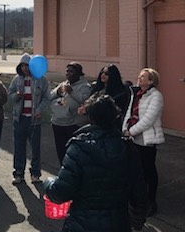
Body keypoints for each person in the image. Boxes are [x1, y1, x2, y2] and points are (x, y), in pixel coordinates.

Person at [44, 94, 148, 232]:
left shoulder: (79, 147)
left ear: (91, 118)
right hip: (118, 223)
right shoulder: (127, 148)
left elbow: (60, 192)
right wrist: (137, 222)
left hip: (82, 224)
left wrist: (48, 183)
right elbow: (139, 192)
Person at [122, 67, 165, 217]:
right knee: (134, 170)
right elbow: (129, 112)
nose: (139, 78)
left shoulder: (156, 96)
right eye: (139, 76)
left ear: (151, 80)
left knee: (148, 171)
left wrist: (132, 131)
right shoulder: (136, 94)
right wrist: (125, 128)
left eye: (143, 77)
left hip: (147, 139)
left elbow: (148, 119)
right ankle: (136, 200)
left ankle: (150, 202)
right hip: (132, 138)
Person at [8, 53, 50, 185]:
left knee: (35, 148)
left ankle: (35, 174)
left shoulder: (41, 79)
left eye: (27, 65)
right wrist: (17, 95)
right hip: (19, 119)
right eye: (22, 66)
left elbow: (46, 97)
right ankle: (18, 173)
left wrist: (39, 110)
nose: (25, 68)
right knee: (19, 147)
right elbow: (11, 96)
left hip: (34, 119)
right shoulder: (17, 79)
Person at [49, 62, 92, 165]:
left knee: (73, 152)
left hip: (73, 124)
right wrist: (57, 93)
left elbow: (85, 100)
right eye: (67, 71)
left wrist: (72, 92)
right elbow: (50, 97)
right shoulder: (64, 84)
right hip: (58, 122)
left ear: (79, 74)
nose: (68, 74)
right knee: (61, 152)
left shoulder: (85, 86)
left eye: (71, 72)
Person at [81, 64, 131, 130]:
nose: (103, 75)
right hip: (95, 125)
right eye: (102, 73)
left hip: (112, 126)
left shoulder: (120, 92)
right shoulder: (97, 89)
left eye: (107, 73)